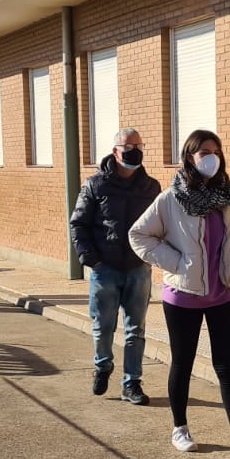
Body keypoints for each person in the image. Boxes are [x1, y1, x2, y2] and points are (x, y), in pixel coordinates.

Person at [129, 129, 230, 459]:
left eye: (216, 151)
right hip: (183, 296)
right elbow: (139, 235)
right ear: (190, 157)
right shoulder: (171, 199)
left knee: (227, 365)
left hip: (223, 293)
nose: (211, 157)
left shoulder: (228, 198)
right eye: (204, 152)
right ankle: (180, 427)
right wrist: (177, 263)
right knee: (183, 362)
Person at [71, 128, 162, 405]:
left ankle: (131, 383)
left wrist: (153, 255)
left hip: (138, 268)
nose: (134, 150)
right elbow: (78, 224)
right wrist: (90, 258)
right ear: (115, 151)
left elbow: (160, 225)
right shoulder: (95, 185)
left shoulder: (151, 187)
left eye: (139, 144)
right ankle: (103, 366)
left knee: (136, 329)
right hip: (105, 269)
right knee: (102, 327)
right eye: (127, 146)